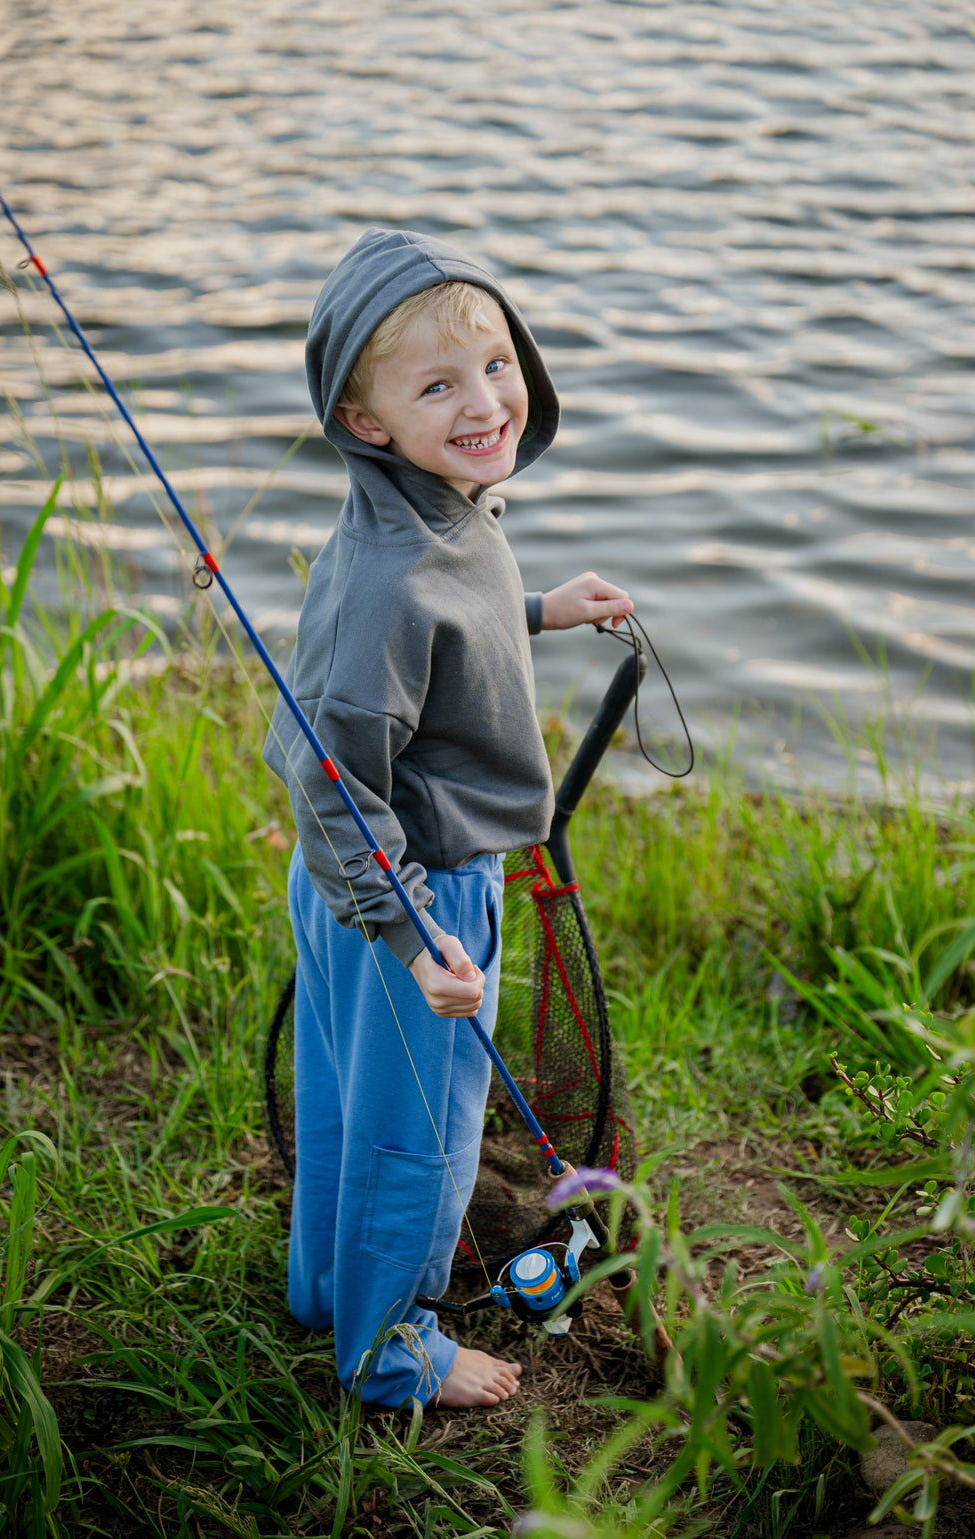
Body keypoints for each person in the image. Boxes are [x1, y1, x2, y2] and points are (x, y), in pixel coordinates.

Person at [263, 227, 632, 1409]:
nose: (484, 402)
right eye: (437, 385)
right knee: (418, 1141)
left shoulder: (438, 510)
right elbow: (326, 772)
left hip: (370, 890)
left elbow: (447, 635)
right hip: (412, 896)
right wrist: (419, 937)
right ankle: (388, 1353)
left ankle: (327, 1287)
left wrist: (539, 606)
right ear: (366, 421)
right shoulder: (388, 575)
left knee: (350, 1102)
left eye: (495, 365)